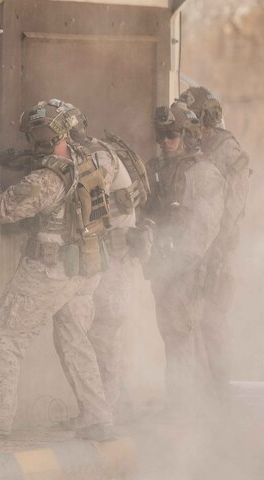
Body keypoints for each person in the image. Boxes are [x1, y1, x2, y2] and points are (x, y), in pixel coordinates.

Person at [0, 99, 117, 441]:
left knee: (5, 336)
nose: (28, 143)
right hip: (85, 265)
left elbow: (0, 209)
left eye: (32, 137)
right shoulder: (91, 159)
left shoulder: (47, 179)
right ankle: (98, 417)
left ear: (42, 136)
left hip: (50, 267)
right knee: (73, 340)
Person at [65, 107, 152, 425]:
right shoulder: (95, 151)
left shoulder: (96, 157)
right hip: (109, 253)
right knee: (103, 332)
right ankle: (111, 405)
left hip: (115, 253)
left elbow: (83, 202)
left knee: (104, 332)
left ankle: (107, 410)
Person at [142, 102, 226, 413]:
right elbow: (148, 212)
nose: (165, 142)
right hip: (165, 266)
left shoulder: (203, 173)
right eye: (161, 135)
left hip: (187, 269)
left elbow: (203, 230)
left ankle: (187, 410)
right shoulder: (157, 170)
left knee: (183, 336)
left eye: (172, 135)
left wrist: (180, 266)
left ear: (188, 137)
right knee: (174, 336)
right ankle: (184, 405)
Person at [178, 87, 250, 402]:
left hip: (219, 251)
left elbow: (232, 207)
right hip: (204, 247)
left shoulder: (226, 149)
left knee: (211, 319)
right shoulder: (204, 147)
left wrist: (217, 250)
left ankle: (220, 393)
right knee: (192, 318)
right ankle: (201, 392)